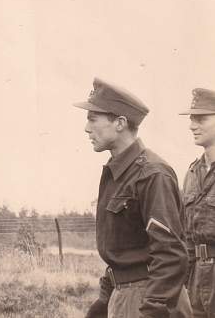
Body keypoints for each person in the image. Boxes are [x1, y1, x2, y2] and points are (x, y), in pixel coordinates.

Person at [74, 78, 191, 318]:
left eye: (93, 118)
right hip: (125, 296)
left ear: (120, 123)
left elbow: (170, 254)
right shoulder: (118, 173)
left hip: (149, 299)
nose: (86, 128)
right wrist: (106, 299)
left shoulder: (152, 174)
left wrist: (153, 307)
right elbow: (123, 250)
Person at [179, 88, 215, 317]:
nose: (192, 126)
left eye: (201, 119)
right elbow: (186, 237)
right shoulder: (192, 172)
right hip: (196, 279)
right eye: (192, 119)